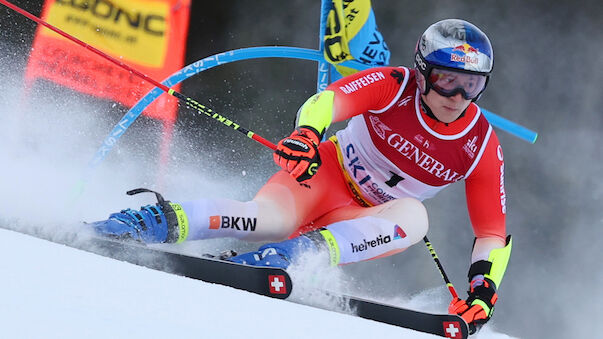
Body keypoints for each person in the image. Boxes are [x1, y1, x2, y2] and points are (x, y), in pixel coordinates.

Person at [91, 19, 511, 333]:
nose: (457, 97)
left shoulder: (480, 144)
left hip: (363, 221)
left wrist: (482, 288)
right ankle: (150, 221)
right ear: (422, 73)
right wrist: (308, 135)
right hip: (324, 177)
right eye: (446, 81)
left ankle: (293, 256)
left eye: (471, 86)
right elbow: (328, 102)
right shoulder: (394, 85)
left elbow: (492, 231)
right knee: (264, 220)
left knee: (415, 217)